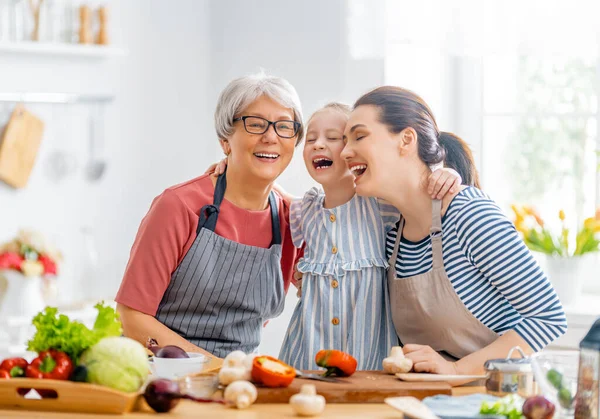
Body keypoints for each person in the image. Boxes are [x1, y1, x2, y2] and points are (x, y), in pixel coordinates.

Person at [341, 86, 567, 375]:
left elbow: (548, 318)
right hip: (434, 401)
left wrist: (458, 370)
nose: (346, 151)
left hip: (497, 399)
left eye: (359, 136)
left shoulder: (469, 213)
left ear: (406, 140)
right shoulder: (391, 237)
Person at [115, 73, 304, 361]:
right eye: (254, 124)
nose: (271, 137)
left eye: (284, 126)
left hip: (239, 383)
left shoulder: (291, 220)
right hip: (162, 375)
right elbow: (132, 317)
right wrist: (215, 369)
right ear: (225, 140)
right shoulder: (178, 206)